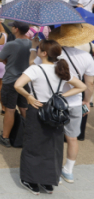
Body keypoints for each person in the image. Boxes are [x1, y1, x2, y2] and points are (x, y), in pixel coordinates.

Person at [14, 39, 86, 195]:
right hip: (55, 110)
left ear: (44, 53)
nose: (38, 50)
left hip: (37, 108)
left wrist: (29, 97)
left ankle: (30, 180)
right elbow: (82, 86)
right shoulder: (61, 69)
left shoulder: (34, 69)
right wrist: (60, 96)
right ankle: (48, 181)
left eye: (39, 48)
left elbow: (17, 85)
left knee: (33, 145)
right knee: (53, 146)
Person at [45, 25, 94, 183]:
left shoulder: (53, 55)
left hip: (55, 101)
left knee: (53, 137)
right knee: (72, 138)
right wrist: (86, 101)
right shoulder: (86, 56)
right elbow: (90, 83)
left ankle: (52, 169)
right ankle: (69, 170)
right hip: (75, 102)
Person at [0, 21, 32, 147]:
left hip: (11, 80)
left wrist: (8, 61)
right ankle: (29, 135)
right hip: (25, 79)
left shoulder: (11, 44)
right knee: (24, 107)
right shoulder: (31, 43)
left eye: (13, 26)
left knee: (10, 109)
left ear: (16, 29)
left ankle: (5, 137)